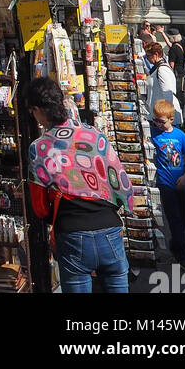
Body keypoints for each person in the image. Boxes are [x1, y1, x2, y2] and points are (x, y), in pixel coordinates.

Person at [27, 75, 133, 293]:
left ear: (37, 109)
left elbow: (39, 206)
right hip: (109, 226)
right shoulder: (94, 134)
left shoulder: (39, 148)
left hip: (72, 232)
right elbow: (121, 182)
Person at [151, 98, 185, 268]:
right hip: (165, 184)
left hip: (181, 183)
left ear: (171, 119)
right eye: (155, 120)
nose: (158, 124)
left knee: (182, 218)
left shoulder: (179, 135)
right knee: (175, 219)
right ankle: (184, 256)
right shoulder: (154, 134)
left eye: (161, 121)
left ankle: (176, 246)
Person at [143, 43, 182, 125]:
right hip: (158, 117)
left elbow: (168, 93)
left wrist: (165, 118)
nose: (146, 58)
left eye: (148, 55)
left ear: (156, 54)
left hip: (163, 119)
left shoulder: (162, 70)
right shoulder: (157, 68)